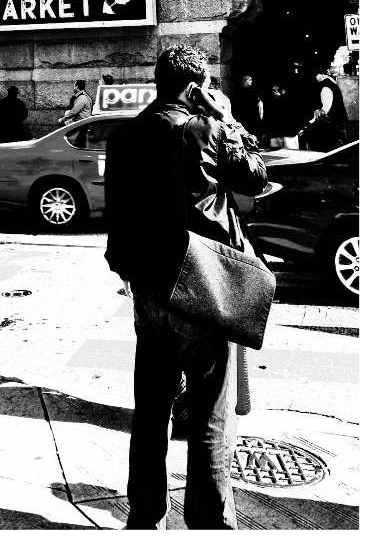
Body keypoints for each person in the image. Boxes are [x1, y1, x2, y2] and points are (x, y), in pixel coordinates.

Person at [104, 44, 267, 530]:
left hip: (149, 293)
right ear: (198, 87)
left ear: (157, 81)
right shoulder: (208, 131)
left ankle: (145, 518)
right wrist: (230, 118)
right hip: (202, 290)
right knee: (210, 416)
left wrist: (131, 277)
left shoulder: (124, 136)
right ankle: (209, 525)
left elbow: (116, 223)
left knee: (150, 413)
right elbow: (255, 179)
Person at [303, 69, 348, 151]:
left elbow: (325, 110)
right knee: (341, 150)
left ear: (321, 75)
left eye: (316, 76)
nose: (315, 79)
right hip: (339, 121)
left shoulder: (325, 86)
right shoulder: (332, 83)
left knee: (338, 150)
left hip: (334, 123)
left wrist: (310, 122)